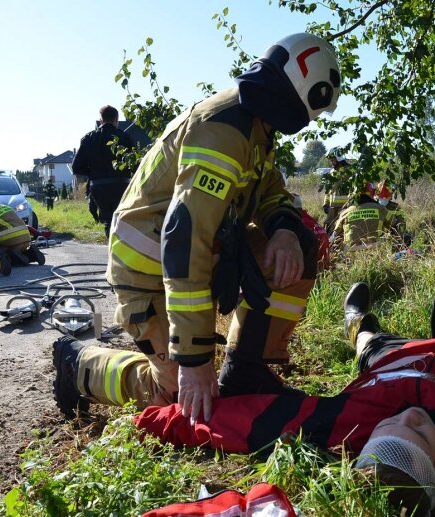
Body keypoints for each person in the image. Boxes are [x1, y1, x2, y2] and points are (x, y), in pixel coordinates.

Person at [131, 251, 435, 514]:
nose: (408, 418)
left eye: (388, 427)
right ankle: (379, 329)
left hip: (391, 364)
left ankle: (358, 325)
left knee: (372, 347)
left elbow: (241, 421)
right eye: (419, 434)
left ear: (361, 445)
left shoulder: (340, 430)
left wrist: (160, 417)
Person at [52, 33, 341, 425]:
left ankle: (245, 367)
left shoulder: (255, 124)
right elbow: (184, 238)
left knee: (302, 244)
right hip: (149, 267)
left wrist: (287, 231)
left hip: (191, 255)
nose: (309, 121)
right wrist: (193, 359)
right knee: (175, 395)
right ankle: (80, 366)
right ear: (306, 89)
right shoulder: (224, 128)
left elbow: (270, 191)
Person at [71, 105, 138, 237]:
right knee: (121, 221)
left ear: (100, 120)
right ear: (116, 120)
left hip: (98, 187)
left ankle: (111, 248)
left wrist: (93, 173)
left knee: (108, 221)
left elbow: (76, 167)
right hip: (121, 185)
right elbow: (135, 165)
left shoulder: (88, 139)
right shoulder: (125, 137)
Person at [330, 182, 405, 252]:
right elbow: (395, 226)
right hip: (375, 250)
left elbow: (334, 236)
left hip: (350, 251)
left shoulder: (345, 212)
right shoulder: (380, 209)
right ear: (372, 194)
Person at [321, 147, 352, 233]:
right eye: (330, 160)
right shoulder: (332, 172)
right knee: (329, 226)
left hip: (346, 206)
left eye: (333, 159)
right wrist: (326, 204)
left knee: (344, 228)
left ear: (339, 158)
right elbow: (328, 190)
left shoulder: (350, 171)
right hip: (332, 207)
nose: (331, 162)